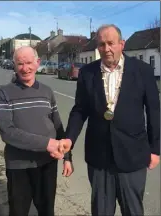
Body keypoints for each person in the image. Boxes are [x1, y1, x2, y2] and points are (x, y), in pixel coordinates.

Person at [63, 24, 160, 216]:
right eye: (101, 44)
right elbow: (80, 110)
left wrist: (155, 149)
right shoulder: (87, 73)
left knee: (133, 210)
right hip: (99, 158)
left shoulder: (143, 71)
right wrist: (69, 140)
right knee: (101, 211)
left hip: (133, 156)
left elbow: (154, 111)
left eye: (111, 43)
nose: (106, 49)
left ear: (121, 44)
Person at [0, 46, 73, 216]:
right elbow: (7, 132)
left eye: (29, 63)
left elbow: (58, 126)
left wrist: (67, 157)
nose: (25, 68)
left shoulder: (47, 91)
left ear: (37, 63)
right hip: (18, 166)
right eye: (20, 64)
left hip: (47, 164)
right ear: (14, 65)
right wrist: (47, 144)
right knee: (18, 211)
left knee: (47, 210)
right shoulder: (3, 93)